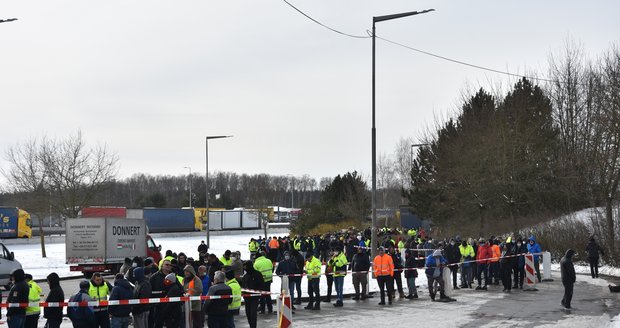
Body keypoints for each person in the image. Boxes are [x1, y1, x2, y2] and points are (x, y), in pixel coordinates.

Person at [149, 259, 173, 328]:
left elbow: (179, 288)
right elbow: (149, 290)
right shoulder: (154, 277)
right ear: (162, 266)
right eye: (167, 264)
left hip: (170, 305)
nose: (168, 266)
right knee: (158, 324)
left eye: (170, 265)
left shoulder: (172, 276)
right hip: (158, 306)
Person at [242, 260, 263, 328]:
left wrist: (258, 292)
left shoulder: (257, 274)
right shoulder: (245, 276)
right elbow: (243, 286)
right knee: (248, 314)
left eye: (245, 266)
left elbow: (261, 284)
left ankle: (253, 326)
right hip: (247, 298)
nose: (244, 268)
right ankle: (251, 325)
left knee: (253, 314)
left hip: (255, 297)